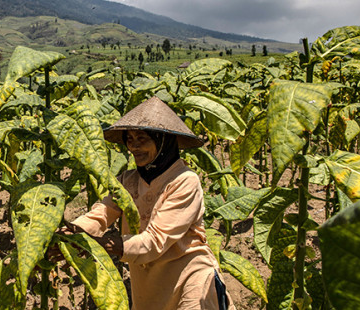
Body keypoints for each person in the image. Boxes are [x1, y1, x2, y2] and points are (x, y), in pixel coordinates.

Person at [63, 96, 233, 310]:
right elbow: (101, 214)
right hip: (148, 285)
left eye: (142, 138)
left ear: (163, 141)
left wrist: (100, 243)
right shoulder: (128, 180)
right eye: (129, 138)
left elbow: (155, 240)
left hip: (190, 279)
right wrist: (68, 235)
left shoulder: (184, 180)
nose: (134, 146)